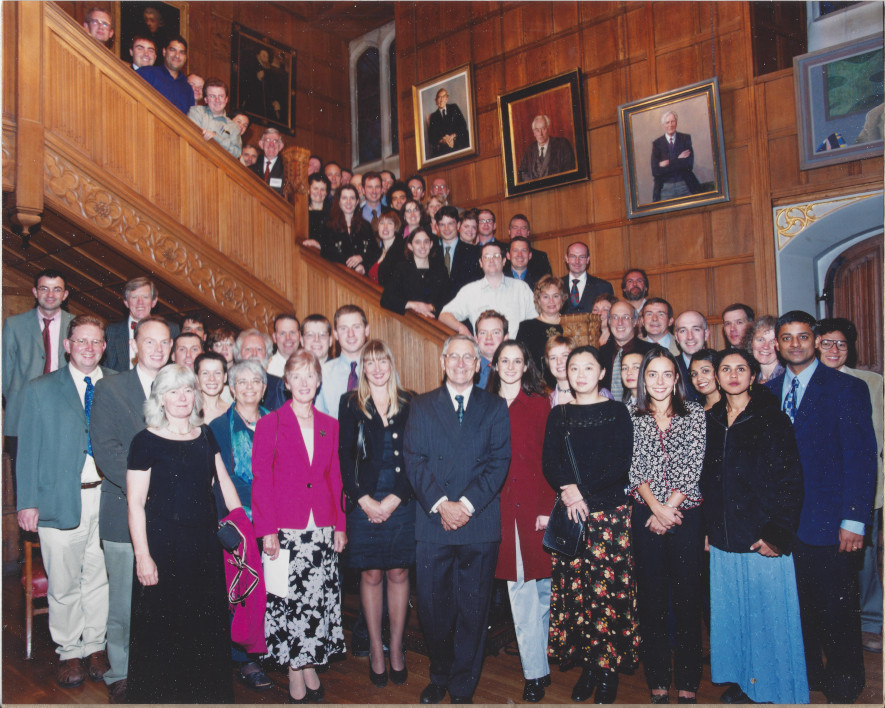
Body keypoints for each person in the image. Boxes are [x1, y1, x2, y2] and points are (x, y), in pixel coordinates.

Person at [765, 311, 876, 703]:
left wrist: (854, 520)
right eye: (787, 337)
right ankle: (811, 677)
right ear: (777, 344)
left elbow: (862, 459)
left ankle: (845, 685)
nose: (795, 344)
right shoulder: (769, 391)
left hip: (833, 523)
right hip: (786, 525)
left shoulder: (845, 388)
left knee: (837, 612)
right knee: (799, 610)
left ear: (815, 341)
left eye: (803, 337)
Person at [404, 334, 511, 704]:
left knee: (473, 610)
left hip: (478, 523)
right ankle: (440, 675)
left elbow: (499, 463)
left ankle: (463, 685)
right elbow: (413, 460)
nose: (462, 363)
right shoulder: (421, 404)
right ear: (442, 361)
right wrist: (441, 504)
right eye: (455, 357)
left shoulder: (495, 406)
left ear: (479, 365)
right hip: (433, 523)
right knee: (433, 610)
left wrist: (465, 505)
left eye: (470, 358)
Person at [125, 364, 241, 703]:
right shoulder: (144, 441)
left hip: (203, 546)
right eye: (173, 391)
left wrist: (244, 529)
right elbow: (135, 503)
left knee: (203, 629)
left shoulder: (205, 434)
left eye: (188, 390)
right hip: (161, 547)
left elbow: (224, 482)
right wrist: (143, 556)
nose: (181, 398)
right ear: (160, 399)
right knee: (162, 631)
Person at [701, 349, 808, 704]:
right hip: (723, 537)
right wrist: (708, 530)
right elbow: (706, 483)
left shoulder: (771, 418)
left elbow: (791, 482)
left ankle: (774, 689)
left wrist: (777, 534)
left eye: (741, 369)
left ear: (754, 376)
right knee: (736, 616)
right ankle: (748, 682)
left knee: (769, 620)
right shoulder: (711, 419)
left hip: (761, 538)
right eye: (725, 369)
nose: (733, 375)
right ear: (716, 377)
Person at [15, 315, 112, 688]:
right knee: (64, 582)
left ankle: (95, 646)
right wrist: (27, 502)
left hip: (106, 498)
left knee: (98, 579)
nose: (88, 348)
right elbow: (28, 452)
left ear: (104, 347)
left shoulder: (116, 385)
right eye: (81, 341)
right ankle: (69, 651)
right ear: (68, 345)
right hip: (59, 500)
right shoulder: (40, 389)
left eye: (95, 342)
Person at [543, 345, 639, 703]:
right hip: (572, 514)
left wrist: (580, 492)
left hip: (609, 516)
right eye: (574, 368)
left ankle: (608, 670)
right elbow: (550, 462)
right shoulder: (559, 414)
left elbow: (620, 462)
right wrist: (570, 492)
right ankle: (588, 668)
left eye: (588, 367)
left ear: (601, 373)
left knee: (607, 595)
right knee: (578, 596)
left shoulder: (617, 411)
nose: (580, 373)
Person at [252, 351, 347, 703]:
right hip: (285, 530)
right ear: (287, 383)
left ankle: (309, 663)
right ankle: (294, 666)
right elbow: (261, 481)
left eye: (311, 376)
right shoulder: (270, 423)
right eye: (297, 376)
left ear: (318, 381)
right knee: (290, 601)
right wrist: (268, 531)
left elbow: (334, 477)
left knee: (317, 600)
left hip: (321, 527)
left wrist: (340, 524)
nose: (305, 382)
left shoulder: (329, 424)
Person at [90, 316, 172, 703]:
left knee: (163, 599)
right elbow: (106, 451)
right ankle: (120, 671)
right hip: (123, 511)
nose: (157, 349)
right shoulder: (111, 388)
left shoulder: (179, 388)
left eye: (164, 343)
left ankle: (158, 666)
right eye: (149, 342)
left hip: (171, 517)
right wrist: (149, 487)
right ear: (136, 345)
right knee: (124, 601)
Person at [628, 347, 706, 704]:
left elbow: (692, 467)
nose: (659, 382)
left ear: (677, 380)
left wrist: (669, 509)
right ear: (643, 380)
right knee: (652, 600)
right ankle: (658, 678)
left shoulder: (695, 415)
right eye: (652, 374)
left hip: (685, 518)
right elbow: (634, 469)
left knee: (687, 599)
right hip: (646, 515)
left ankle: (688, 680)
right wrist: (656, 508)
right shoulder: (632, 416)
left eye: (666, 374)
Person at [338, 341, 415, 687]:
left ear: (390, 363)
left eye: (382, 360)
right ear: (363, 369)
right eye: (369, 363)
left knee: (398, 572)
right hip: (364, 501)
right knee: (370, 575)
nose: (377, 368)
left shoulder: (410, 401)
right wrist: (365, 500)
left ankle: (396, 648)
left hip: (401, 501)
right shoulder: (350, 403)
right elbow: (343, 458)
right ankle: (375, 647)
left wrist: (395, 499)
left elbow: (418, 457)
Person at [487, 341, 554, 702]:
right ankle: (534, 672)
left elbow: (549, 459)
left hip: (535, 507)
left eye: (518, 360)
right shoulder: (486, 405)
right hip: (501, 509)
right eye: (504, 360)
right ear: (494, 365)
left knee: (542, 590)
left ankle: (538, 662)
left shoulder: (540, 404)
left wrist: (549, 508)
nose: (511, 366)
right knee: (520, 589)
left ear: (526, 365)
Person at [815, 318, 884, 656]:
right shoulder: (807, 383)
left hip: (862, 488)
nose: (834, 350)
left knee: (865, 559)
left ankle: (871, 622)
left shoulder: (871, 383)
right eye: (826, 342)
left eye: (841, 344)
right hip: (822, 493)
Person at [208, 358, 273, 691]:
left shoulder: (276, 422)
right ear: (231, 388)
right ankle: (245, 659)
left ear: (264, 388)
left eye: (256, 382)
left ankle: (268, 648)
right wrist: (229, 523)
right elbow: (217, 481)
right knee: (243, 592)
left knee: (273, 590)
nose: (249, 387)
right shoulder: (218, 427)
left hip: (275, 519)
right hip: (239, 520)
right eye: (242, 382)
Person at [2, 269, 74, 448]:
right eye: (44, 289)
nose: (50, 295)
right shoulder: (14, 325)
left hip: (63, 413)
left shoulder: (77, 325)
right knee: (21, 471)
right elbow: (4, 373)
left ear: (64, 295)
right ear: (35, 292)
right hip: (23, 414)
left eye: (56, 290)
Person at [439, 241, 538, 338]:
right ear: (481, 263)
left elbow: (536, 320)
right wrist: (461, 328)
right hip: (482, 352)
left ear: (503, 261)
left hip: (513, 351)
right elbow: (444, 315)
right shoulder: (470, 291)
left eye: (496, 256)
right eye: (486, 257)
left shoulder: (521, 288)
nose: (491, 260)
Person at [104, 276, 179, 372]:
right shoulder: (111, 331)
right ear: (126, 302)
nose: (140, 303)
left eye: (145, 297)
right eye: (134, 297)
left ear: (154, 302)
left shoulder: (172, 329)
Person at [380, 228, 448, 319]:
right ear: (410, 246)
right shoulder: (402, 268)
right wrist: (412, 304)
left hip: (435, 323)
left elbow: (447, 299)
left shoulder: (440, 269)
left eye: (426, 242)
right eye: (418, 242)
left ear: (431, 244)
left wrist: (431, 307)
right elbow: (386, 298)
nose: (423, 246)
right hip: (410, 323)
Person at [316, 305, 370, 417]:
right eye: (343, 328)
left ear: (367, 330)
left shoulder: (383, 371)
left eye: (356, 327)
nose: (351, 334)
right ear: (335, 334)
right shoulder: (322, 374)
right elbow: (319, 424)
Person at [515, 274, 566, 387]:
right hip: (537, 389)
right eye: (546, 297)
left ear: (562, 298)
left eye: (556, 296)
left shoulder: (572, 324)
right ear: (538, 300)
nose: (551, 301)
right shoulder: (527, 327)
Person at [598, 300, 654, 398]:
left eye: (626, 317)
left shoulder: (651, 353)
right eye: (615, 317)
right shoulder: (599, 354)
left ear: (635, 322)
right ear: (609, 322)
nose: (620, 323)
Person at [321, 184, 378, 274]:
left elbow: (375, 252)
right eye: (344, 198)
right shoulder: (329, 226)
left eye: (352, 198)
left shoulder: (365, 226)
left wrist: (361, 259)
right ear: (338, 201)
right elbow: (327, 253)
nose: (348, 202)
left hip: (362, 277)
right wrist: (353, 265)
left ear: (357, 201)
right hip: (338, 276)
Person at [434, 205, 482, 304]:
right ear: (437, 227)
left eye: (450, 223)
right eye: (442, 224)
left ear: (458, 225)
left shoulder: (474, 252)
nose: (446, 228)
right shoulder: (432, 254)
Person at [650, 110, 702, 202]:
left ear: (676, 122)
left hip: (685, 185)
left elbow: (688, 165)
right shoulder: (657, 144)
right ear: (663, 125)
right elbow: (656, 171)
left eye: (673, 121)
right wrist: (678, 160)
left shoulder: (685, 138)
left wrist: (668, 163)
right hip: (665, 188)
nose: (670, 125)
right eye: (667, 122)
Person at [136, 36, 193, 115]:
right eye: (173, 50)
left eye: (181, 52)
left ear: (185, 58)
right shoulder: (147, 73)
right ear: (164, 52)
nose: (177, 55)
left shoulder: (188, 88)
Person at [233, 329, 287, 411]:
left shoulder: (279, 386)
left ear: (267, 354)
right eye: (248, 349)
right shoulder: (231, 381)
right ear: (238, 354)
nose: (254, 354)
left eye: (259, 349)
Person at [187, 77, 242, 158]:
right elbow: (191, 136)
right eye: (212, 96)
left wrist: (216, 137)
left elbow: (236, 153)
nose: (217, 100)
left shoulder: (233, 127)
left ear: (226, 99)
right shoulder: (196, 112)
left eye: (221, 96)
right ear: (205, 99)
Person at [518, 114, 576, 182]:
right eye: (537, 130)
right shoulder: (529, 150)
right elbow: (522, 173)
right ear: (534, 133)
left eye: (543, 128)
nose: (540, 133)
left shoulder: (562, 144)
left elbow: (569, 169)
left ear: (548, 129)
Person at [561, 242, 614, 314]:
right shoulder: (557, 285)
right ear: (567, 259)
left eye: (582, 257)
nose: (577, 261)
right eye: (573, 256)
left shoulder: (603, 286)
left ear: (588, 259)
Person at [674, 310, 711, 402]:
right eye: (683, 331)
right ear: (677, 337)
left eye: (696, 329)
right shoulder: (670, 368)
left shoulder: (720, 365)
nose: (690, 337)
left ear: (706, 334)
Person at [427, 87, 469, 157]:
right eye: (439, 97)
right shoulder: (433, 117)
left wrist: (452, 136)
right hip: (443, 147)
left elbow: (463, 125)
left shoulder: (454, 108)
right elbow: (432, 138)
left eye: (443, 97)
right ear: (436, 101)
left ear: (447, 99)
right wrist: (443, 140)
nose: (441, 100)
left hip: (457, 141)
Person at [369, 210, 406, 286]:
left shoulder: (401, 251)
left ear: (396, 227)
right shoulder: (378, 252)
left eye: (390, 223)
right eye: (382, 223)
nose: (385, 227)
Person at [475, 311, 508, 389]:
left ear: (505, 338)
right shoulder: (467, 371)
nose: (489, 338)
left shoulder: (515, 370)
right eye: (483, 333)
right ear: (476, 339)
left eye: (495, 332)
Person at [195, 351, 230, 424]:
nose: (212, 378)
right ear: (197, 378)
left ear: (225, 377)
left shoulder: (231, 412)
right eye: (205, 373)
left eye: (217, 373)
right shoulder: (189, 411)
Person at [249, 128, 286, 195]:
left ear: (280, 146)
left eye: (275, 141)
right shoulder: (250, 170)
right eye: (268, 140)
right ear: (261, 144)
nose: (271, 144)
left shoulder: (286, 171)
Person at [750, 315, 784, 384]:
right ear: (751, 342)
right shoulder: (750, 378)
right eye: (760, 340)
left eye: (772, 342)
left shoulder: (784, 378)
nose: (765, 346)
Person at [546, 335, 577, 407]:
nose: (559, 362)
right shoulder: (547, 401)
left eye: (565, 355)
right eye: (553, 358)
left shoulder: (599, 395)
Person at [267, 314, 301, 378]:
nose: (288, 338)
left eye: (292, 332)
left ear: (300, 336)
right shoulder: (267, 369)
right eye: (282, 333)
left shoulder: (310, 366)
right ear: (274, 337)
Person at [302, 173, 331, 248]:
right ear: (308, 190)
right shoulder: (301, 212)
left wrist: (319, 246)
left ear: (326, 192)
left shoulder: (332, 213)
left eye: (322, 189)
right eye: (315, 188)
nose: (319, 193)